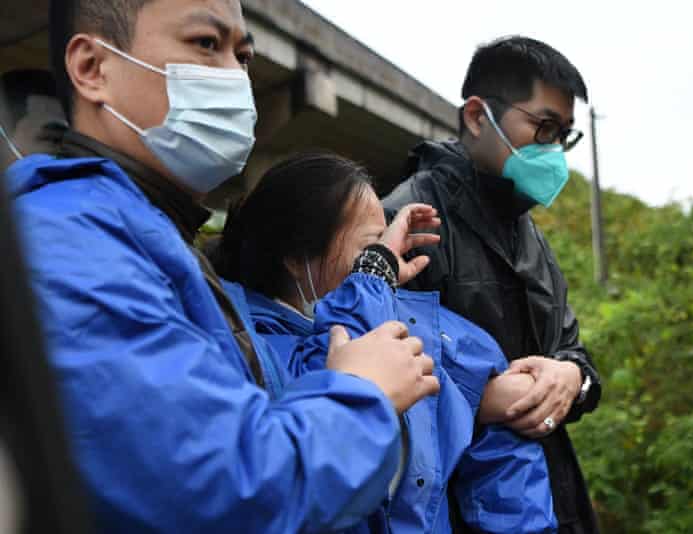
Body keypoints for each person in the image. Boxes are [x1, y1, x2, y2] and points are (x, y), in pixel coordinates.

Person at [6, 0, 439, 530]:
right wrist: (360, 394)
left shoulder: (138, 230)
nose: (235, 77)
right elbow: (221, 494)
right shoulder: (71, 240)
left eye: (244, 55)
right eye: (206, 45)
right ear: (93, 69)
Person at [213, 152, 557, 533]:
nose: (387, 260)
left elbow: (507, 445)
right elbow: (336, 393)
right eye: (370, 249)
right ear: (296, 258)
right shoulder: (242, 342)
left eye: (385, 247)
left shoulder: (411, 318)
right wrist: (374, 276)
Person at [384, 36, 604, 533]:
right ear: (478, 117)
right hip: (458, 511)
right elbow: (363, 380)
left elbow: (572, 351)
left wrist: (573, 377)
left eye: (563, 136)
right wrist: (474, 399)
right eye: (543, 127)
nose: (553, 151)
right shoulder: (407, 219)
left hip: (549, 502)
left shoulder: (529, 235)